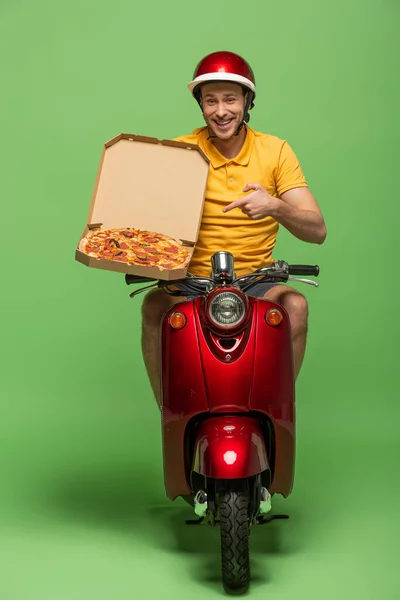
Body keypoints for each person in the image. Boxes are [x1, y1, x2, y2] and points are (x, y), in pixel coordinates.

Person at [141, 51, 327, 407]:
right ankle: (170, 411)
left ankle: (276, 406)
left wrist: (274, 205)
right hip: (191, 280)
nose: (221, 111)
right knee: (153, 307)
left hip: (256, 281)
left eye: (230, 99)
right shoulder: (181, 150)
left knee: (296, 306)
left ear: (247, 101)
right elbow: (148, 221)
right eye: (211, 101)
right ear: (201, 105)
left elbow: (317, 230)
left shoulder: (276, 151)